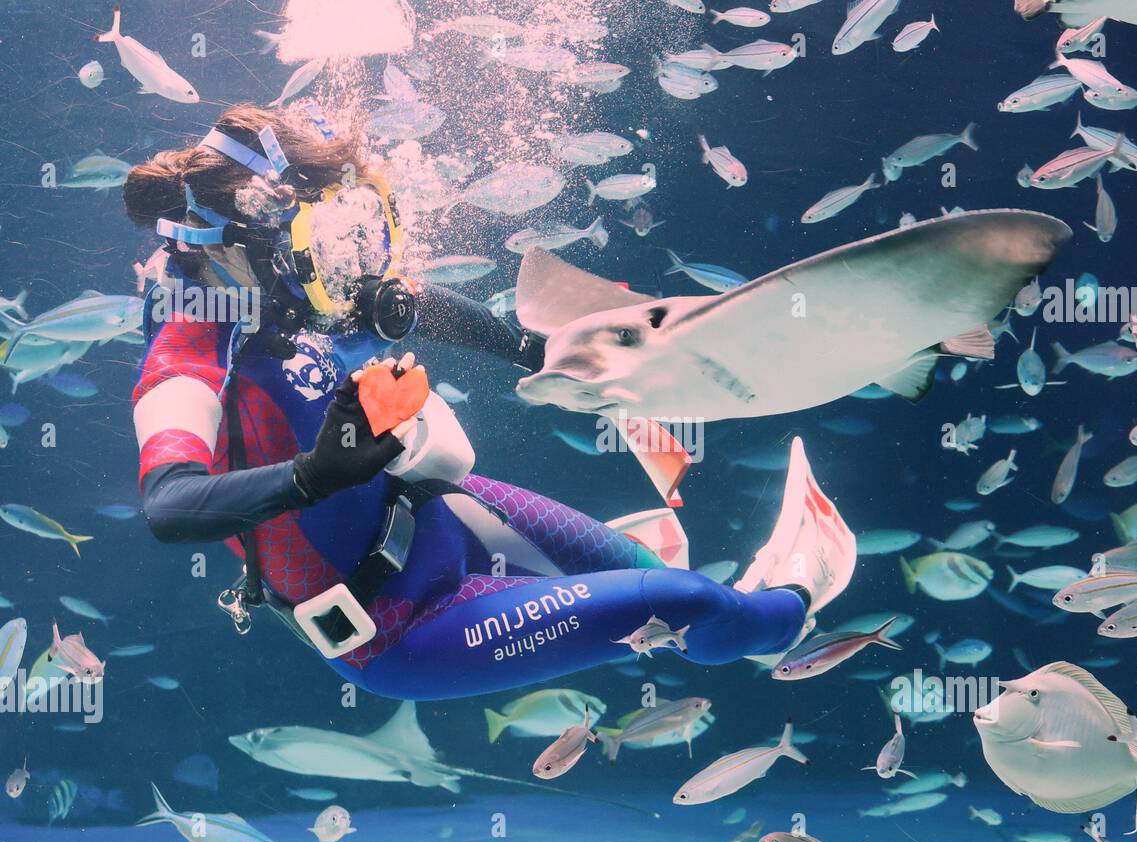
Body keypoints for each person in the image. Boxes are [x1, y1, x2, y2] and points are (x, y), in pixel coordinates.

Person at [125, 103, 855, 701]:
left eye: (363, 224)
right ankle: (791, 609)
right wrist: (315, 475)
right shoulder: (192, 338)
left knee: (647, 568)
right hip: (397, 631)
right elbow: (170, 504)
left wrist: (545, 356)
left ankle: (646, 584)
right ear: (248, 242)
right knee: (688, 603)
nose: (357, 265)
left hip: (442, 512)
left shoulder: (298, 284)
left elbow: (413, 306)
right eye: (332, 240)